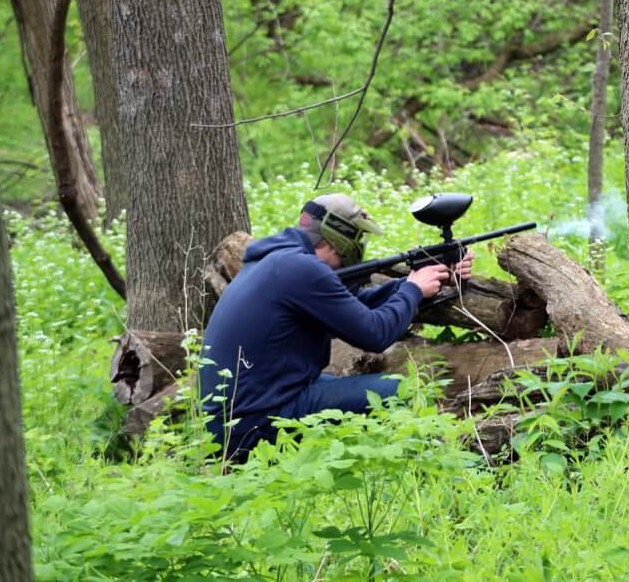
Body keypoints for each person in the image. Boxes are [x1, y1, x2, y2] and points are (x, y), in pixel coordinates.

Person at [199, 193, 473, 463]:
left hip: (234, 420)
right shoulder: (300, 268)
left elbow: (350, 307)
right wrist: (413, 289)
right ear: (339, 240)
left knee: (346, 387)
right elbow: (375, 334)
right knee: (400, 391)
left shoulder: (278, 261)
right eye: (358, 238)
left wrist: (420, 283)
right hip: (253, 425)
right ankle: (431, 470)